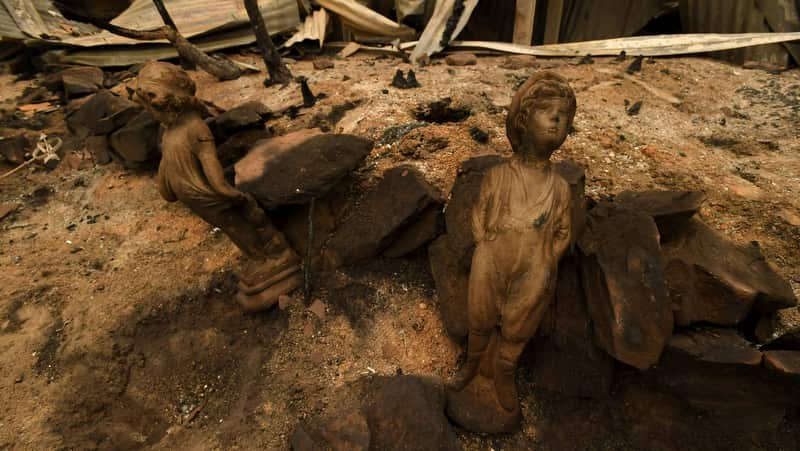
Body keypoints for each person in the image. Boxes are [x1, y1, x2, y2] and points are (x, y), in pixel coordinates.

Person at [452, 71, 577, 411]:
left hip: (535, 265)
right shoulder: (498, 175)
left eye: (563, 116)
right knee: (480, 316)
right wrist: (485, 245)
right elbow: (479, 211)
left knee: (520, 324)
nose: (556, 119)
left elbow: (564, 231)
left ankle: (504, 372)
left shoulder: (560, 187)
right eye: (547, 111)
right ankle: (473, 364)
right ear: (523, 121)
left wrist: (547, 260)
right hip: (493, 259)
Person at [135, 61, 301, 311]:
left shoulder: (194, 129)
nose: (153, 114)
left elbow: (211, 173)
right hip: (200, 197)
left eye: (154, 107)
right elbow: (168, 172)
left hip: (206, 196)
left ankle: (274, 256)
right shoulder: (171, 132)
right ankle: (259, 257)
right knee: (234, 227)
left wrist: (229, 193)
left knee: (239, 224)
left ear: (171, 103)